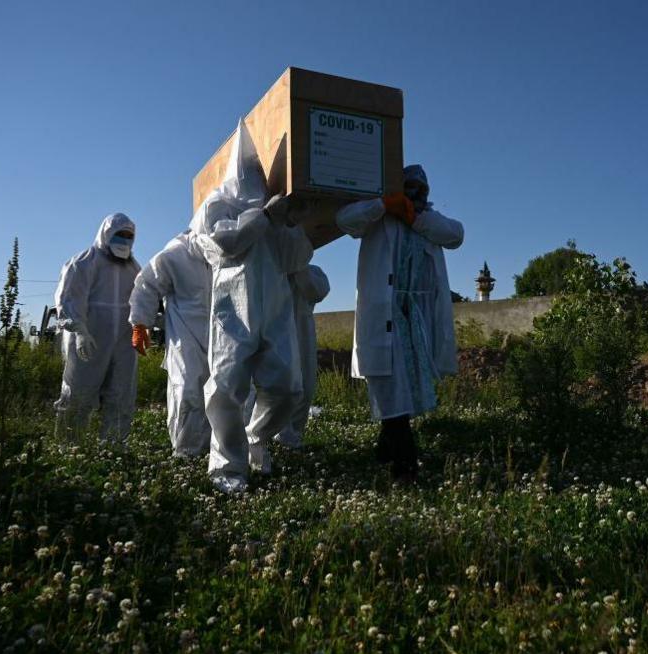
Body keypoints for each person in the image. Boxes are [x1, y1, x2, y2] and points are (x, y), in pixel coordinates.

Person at [191, 120, 312, 494]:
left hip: (275, 311)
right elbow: (226, 243)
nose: (257, 172)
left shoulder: (274, 209)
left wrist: (291, 224)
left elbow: (299, 259)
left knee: (289, 389)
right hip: (233, 314)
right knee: (226, 389)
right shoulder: (217, 204)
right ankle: (227, 469)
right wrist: (265, 218)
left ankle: (255, 436)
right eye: (252, 164)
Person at [335, 164, 464, 480]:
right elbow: (344, 220)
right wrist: (383, 205)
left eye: (422, 190)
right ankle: (404, 466)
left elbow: (456, 235)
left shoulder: (427, 221)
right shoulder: (376, 218)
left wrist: (414, 217)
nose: (416, 194)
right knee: (391, 386)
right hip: (386, 312)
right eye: (409, 188)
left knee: (406, 387)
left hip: (416, 314)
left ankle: (386, 450)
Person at [54, 213, 140, 443]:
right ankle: (69, 448)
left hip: (123, 343)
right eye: (119, 235)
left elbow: (142, 300)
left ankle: (113, 449)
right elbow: (69, 299)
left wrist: (143, 325)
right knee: (78, 393)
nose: (124, 240)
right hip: (89, 340)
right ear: (106, 234)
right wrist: (79, 330)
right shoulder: (84, 263)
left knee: (121, 396)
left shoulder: (133, 268)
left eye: (128, 236)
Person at [127, 230, 212, 457]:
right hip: (185, 336)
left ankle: (216, 450)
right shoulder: (176, 255)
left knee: (224, 392)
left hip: (221, 336)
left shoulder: (223, 252)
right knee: (187, 389)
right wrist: (140, 323)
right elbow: (146, 285)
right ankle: (186, 452)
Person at [248, 264, 330, 449]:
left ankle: (291, 436)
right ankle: (262, 435)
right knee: (276, 385)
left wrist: (299, 268)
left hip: (302, 332)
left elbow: (319, 291)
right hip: (272, 332)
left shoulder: (312, 271)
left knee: (305, 385)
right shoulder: (267, 269)